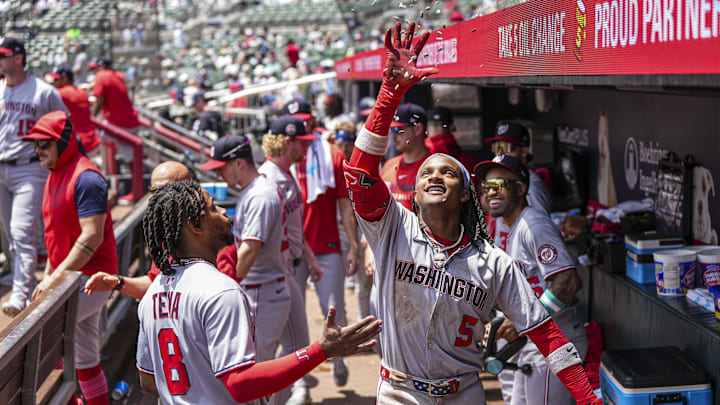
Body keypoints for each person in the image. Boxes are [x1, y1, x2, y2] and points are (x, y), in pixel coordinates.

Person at [342, 21, 600, 405]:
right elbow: (360, 175)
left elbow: (546, 333)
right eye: (426, 172)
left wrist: (587, 398)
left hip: (463, 391)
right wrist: (390, 93)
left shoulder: (492, 262)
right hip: (399, 390)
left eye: (447, 172)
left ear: (465, 195)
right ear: (414, 192)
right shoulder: (394, 228)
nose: (434, 175)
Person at [136, 180, 382, 405]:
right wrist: (321, 350)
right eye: (212, 208)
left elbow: (148, 380)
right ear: (195, 225)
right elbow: (240, 385)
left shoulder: (152, 293)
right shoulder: (219, 290)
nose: (223, 212)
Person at [475, 154, 588, 405]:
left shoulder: (533, 224)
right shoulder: (513, 227)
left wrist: (526, 323)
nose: (492, 193)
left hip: (558, 343)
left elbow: (568, 282)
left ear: (521, 188)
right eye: (487, 187)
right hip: (537, 344)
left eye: (500, 185)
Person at [24, 111, 117, 405]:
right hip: (74, 277)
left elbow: (92, 236)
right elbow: (55, 241)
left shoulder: (87, 178)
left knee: (39, 342)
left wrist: (54, 278)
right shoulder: (55, 173)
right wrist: (50, 277)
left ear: (63, 142)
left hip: (92, 278)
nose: (38, 150)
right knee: (86, 354)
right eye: (35, 144)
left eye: (44, 143)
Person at [201, 135, 293, 370]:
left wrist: (226, 288)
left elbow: (250, 250)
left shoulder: (260, 195)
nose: (219, 175)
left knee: (258, 373)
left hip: (263, 292)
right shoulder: (253, 189)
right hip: (261, 289)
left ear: (239, 163)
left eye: (222, 168)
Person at [289, 99, 360, 387]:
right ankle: (300, 380)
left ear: (312, 120)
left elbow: (345, 205)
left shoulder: (331, 153)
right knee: (293, 317)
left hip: (327, 244)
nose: (300, 126)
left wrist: (354, 244)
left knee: (334, 310)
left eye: (305, 120)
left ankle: (338, 357)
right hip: (293, 250)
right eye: (295, 120)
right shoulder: (283, 157)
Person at [0, 37, 69, 316]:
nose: (0, 60)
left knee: (21, 232)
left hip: (30, 166)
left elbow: (63, 126)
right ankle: (25, 286)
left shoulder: (43, 91)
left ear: (18, 58)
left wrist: (52, 162)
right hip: (1, 166)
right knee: (11, 234)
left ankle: (19, 295)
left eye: (3, 55)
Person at [259, 115, 324, 405]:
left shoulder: (287, 174)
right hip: (272, 277)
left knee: (296, 347)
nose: (306, 147)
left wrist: (310, 258)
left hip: (289, 271)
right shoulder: (267, 180)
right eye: (302, 142)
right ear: (288, 142)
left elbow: (294, 226)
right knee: (264, 351)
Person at [83, 161, 193, 299]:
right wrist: (117, 282)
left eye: (166, 190)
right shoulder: (167, 232)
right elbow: (155, 283)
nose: (159, 197)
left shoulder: (207, 231)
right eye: (154, 191)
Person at [484, 121, 552, 250]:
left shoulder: (531, 184)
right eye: (496, 147)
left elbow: (540, 232)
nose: (499, 153)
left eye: (506, 147)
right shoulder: (500, 179)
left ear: (524, 151)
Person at [381, 102, 431, 210]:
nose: (393, 137)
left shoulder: (436, 167)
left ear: (417, 129)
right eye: (391, 130)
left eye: (398, 130)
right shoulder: (388, 165)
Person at [48, 64, 101, 153]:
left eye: (56, 80)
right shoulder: (81, 92)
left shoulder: (61, 93)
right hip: (92, 141)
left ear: (65, 79)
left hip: (76, 145)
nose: (53, 82)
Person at [89, 57, 141, 132]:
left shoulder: (101, 75)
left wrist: (91, 119)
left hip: (119, 125)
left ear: (102, 67)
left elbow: (99, 102)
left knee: (97, 139)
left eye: (95, 68)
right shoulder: (117, 75)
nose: (94, 72)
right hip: (132, 121)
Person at [424, 106, 478, 173]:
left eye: (438, 125)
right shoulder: (419, 154)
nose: (434, 129)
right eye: (433, 125)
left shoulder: (417, 156)